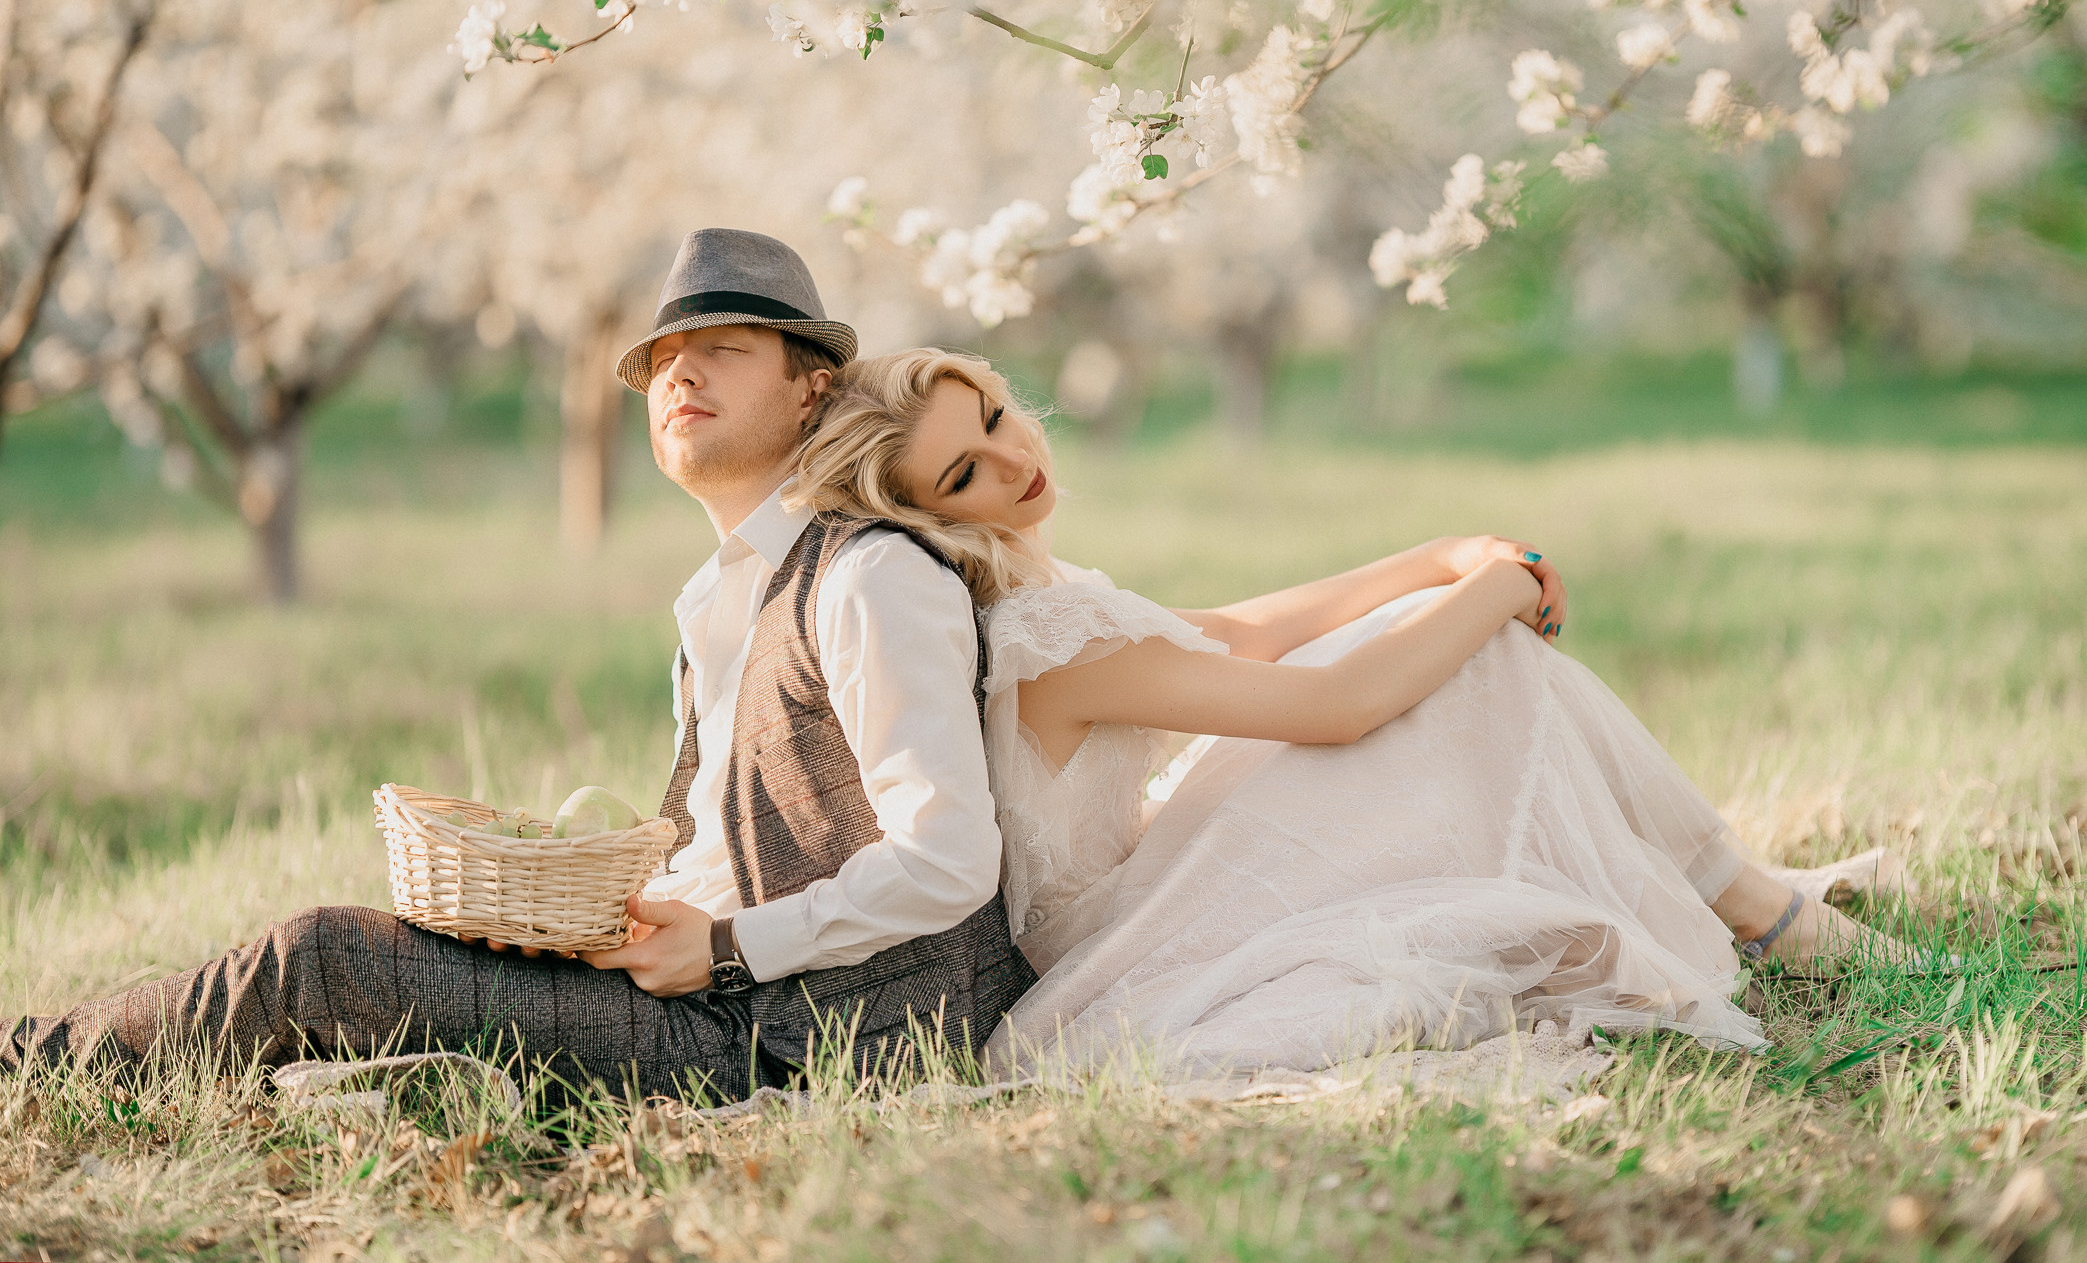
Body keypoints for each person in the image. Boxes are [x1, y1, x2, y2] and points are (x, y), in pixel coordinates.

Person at [1, 231, 1036, 1100]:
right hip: (726, 1000)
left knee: (323, 956)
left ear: (812, 391)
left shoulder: (871, 579)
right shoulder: (719, 593)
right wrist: (592, 925)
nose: (680, 373)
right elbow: (730, 849)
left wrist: (725, 950)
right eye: (666, 357)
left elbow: (948, 861)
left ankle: (31, 1067)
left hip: (806, 1048)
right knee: (394, 955)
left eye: (723, 349)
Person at [787, 347, 1923, 1075]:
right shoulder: (1038, 641)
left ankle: (1755, 898)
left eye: (992, 414)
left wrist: (1439, 560)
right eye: (964, 474)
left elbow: (1232, 635)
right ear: (935, 520)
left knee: (1453, 654)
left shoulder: (1044, 602)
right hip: (1141, 937)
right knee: (1482, 668)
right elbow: (1330, 705)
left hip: (1154, 888)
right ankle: (1763, 911)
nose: (1009, 455)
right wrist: (1495, 589)